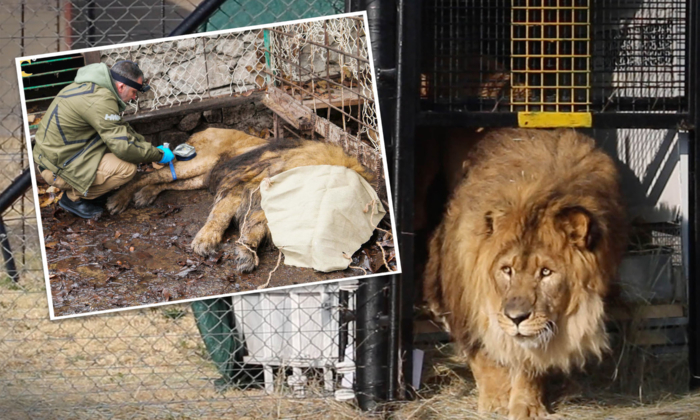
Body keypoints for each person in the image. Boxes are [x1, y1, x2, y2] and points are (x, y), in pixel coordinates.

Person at [33, 60, 175, 219]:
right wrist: (159, 155)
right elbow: (124, 147)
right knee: (127, 168)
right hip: (56, 167)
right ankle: (72, 198)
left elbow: (122, 130)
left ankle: (89, 190)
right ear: (121, 86)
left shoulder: (93, 87)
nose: (134, 97)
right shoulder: (101, 100)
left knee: (122, 150)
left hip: (60, 155)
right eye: (134, 92)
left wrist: (150, 148)